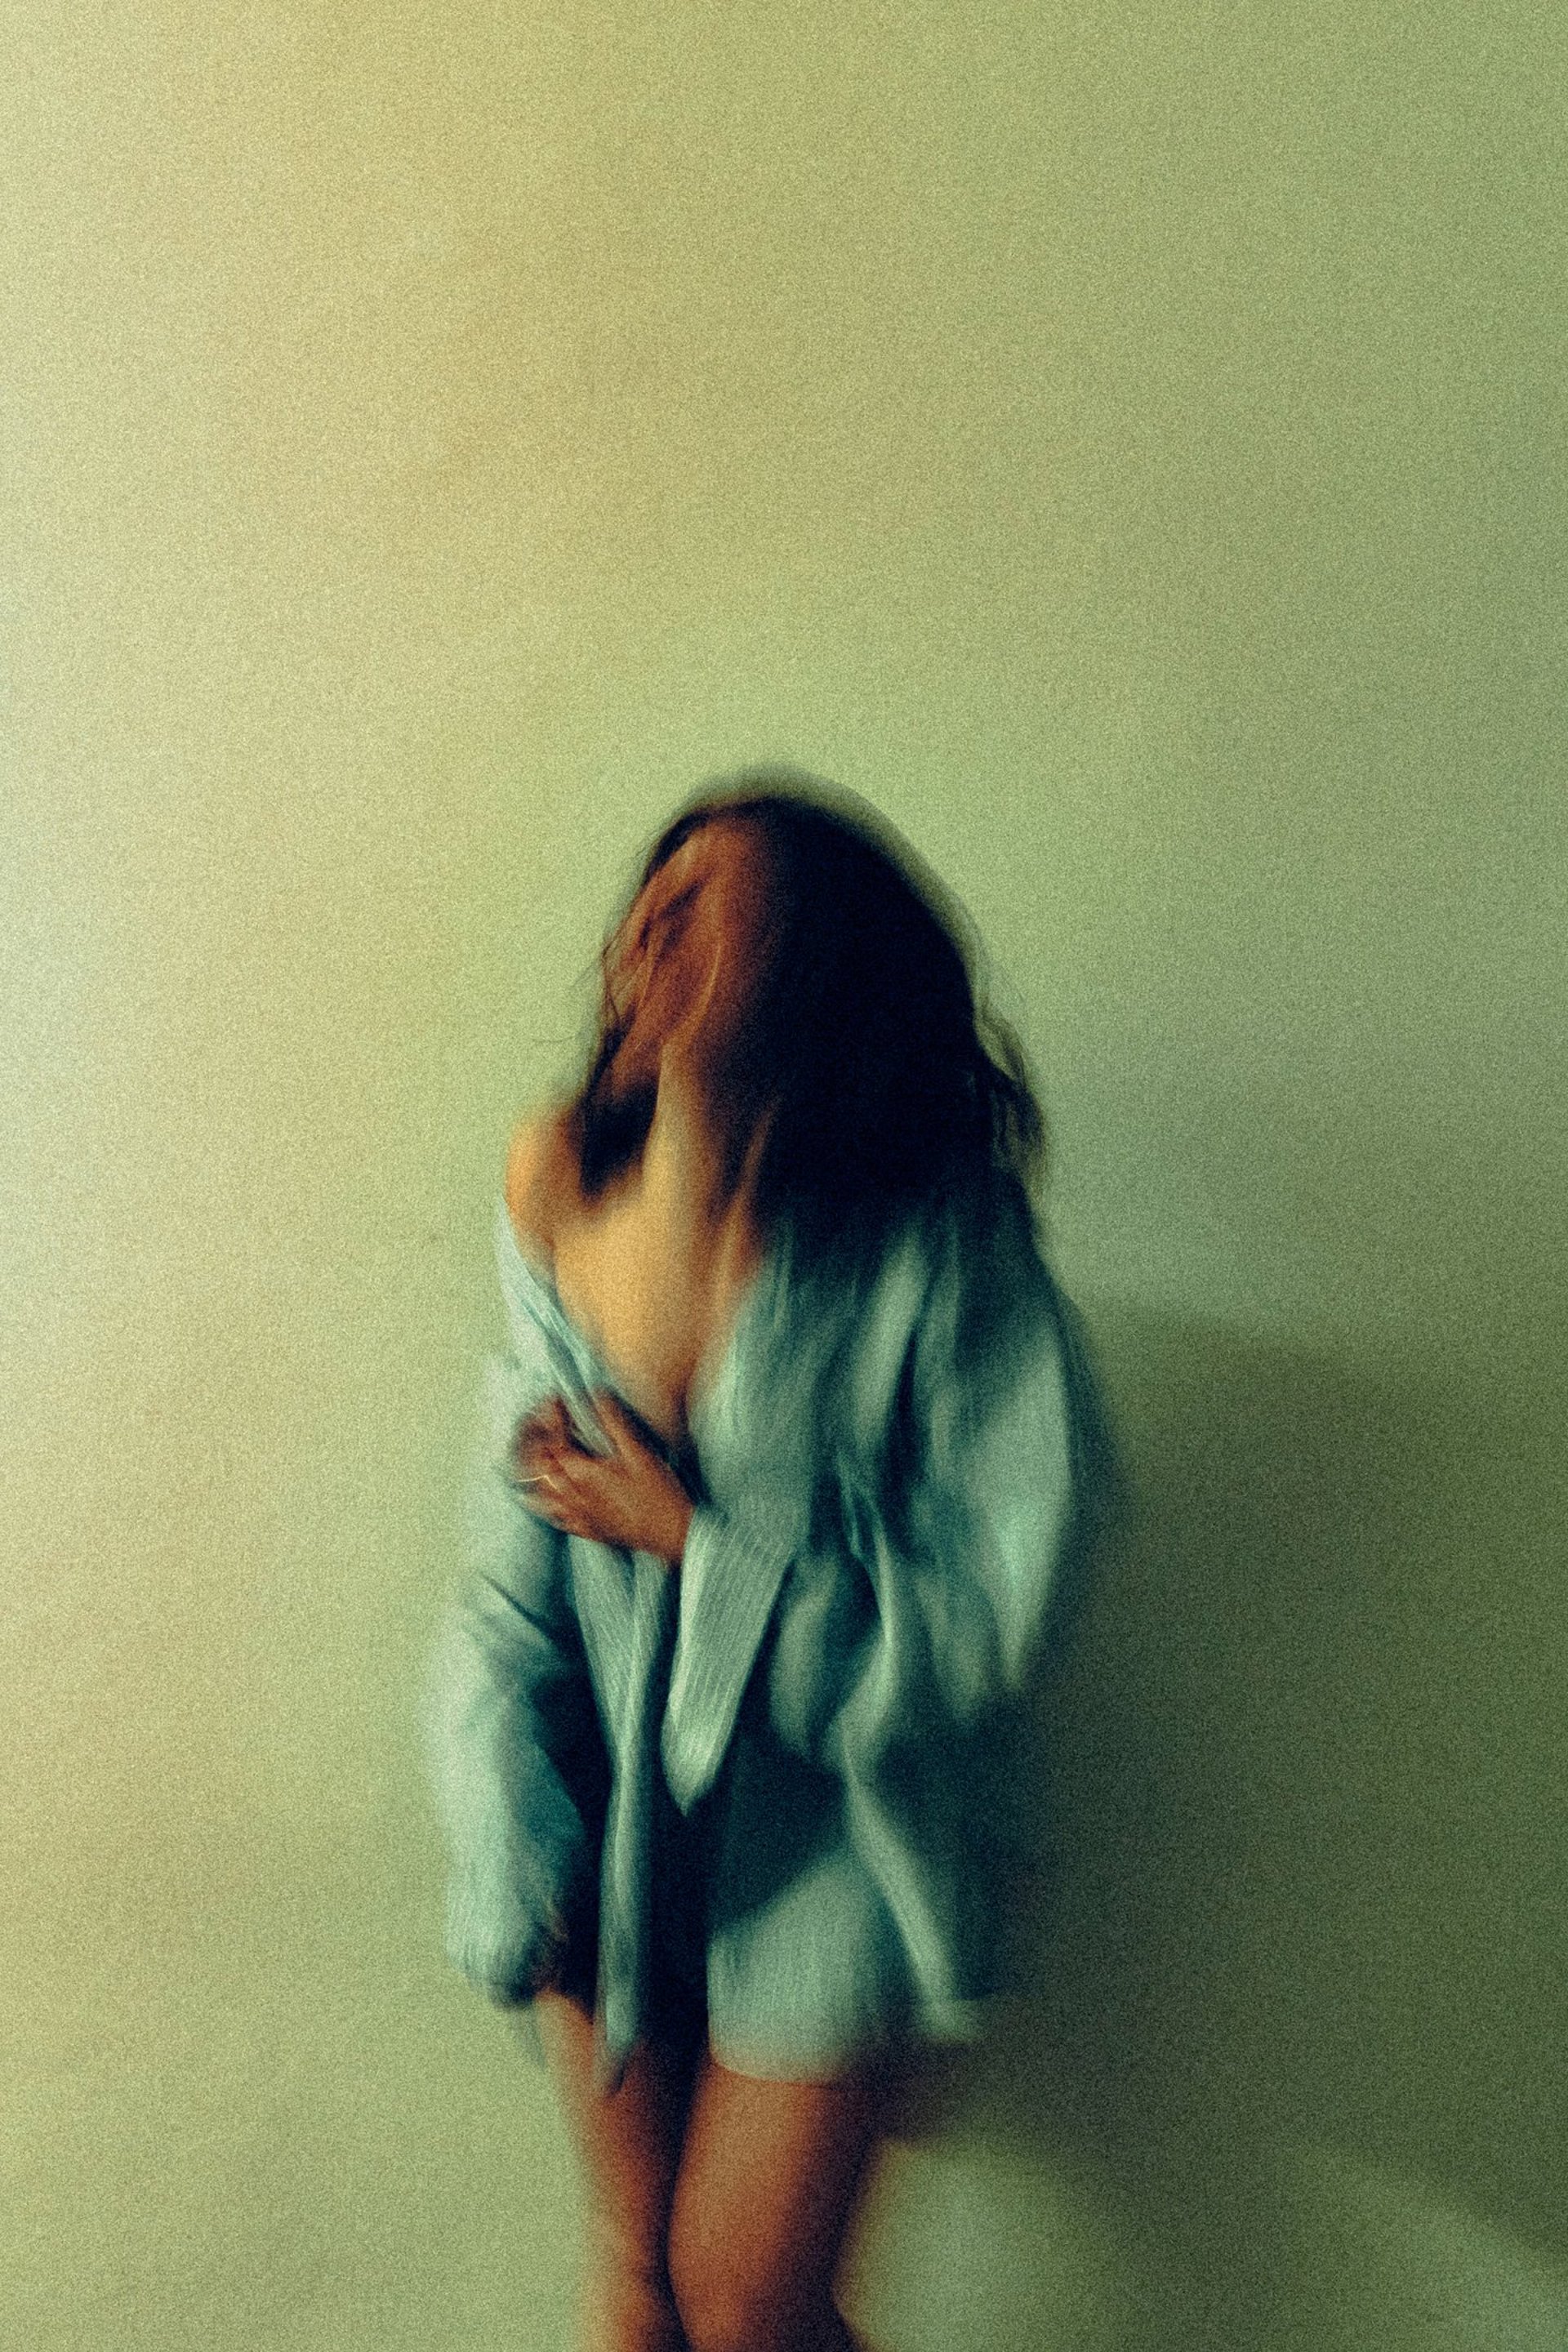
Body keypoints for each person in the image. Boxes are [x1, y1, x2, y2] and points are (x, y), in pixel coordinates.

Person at [425, 774, 1114, 2352]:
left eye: (706, 904)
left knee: (749, 2307)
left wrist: (696, 1542)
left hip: (839, 1853)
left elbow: (991, 1616)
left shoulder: (942, 1247)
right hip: (600, 1840)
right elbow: (504, 1580)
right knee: (639, 2297)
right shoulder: (559, 1200)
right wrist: (503, 1815)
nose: (646, 933)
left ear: (818, 958)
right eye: (642, 901)